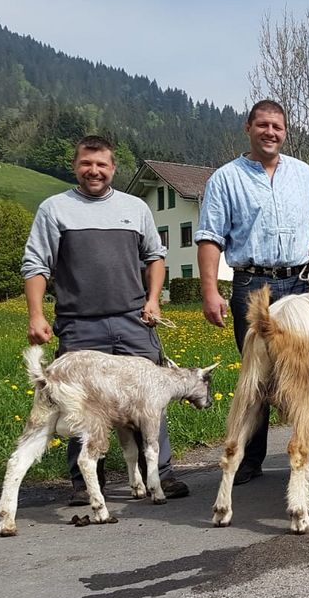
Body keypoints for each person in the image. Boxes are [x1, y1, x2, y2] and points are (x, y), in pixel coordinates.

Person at [21, 135, 189, 504]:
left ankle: (160, 475)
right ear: (75, 166)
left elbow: (155, 256)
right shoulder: (54, 209)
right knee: (78, 403)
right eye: (86, 163)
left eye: (101, 164)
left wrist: (153, 300)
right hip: (79, 324)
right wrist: (36, 314)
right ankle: (86, 484)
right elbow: (35, 264)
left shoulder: (135, 208)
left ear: (113, 168)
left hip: (133, 321)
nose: (94, 171)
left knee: (149, 398)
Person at [196, 99, 309, 486]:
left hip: (301, 282)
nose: (270, 132)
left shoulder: (303, 173)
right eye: (263, 125)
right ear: (248, 128)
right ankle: (250, 459)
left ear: (285, 132)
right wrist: (210, 291)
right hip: (253, 285)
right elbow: (209, 238)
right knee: (257, 374)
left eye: (277, 126)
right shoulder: (225, 178)